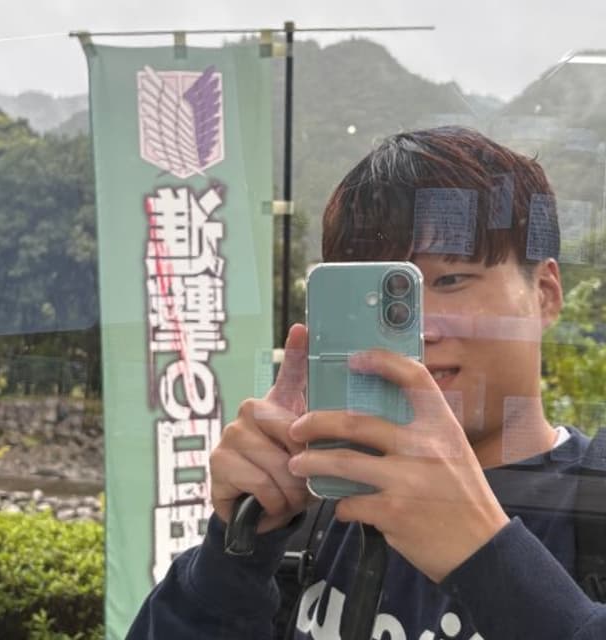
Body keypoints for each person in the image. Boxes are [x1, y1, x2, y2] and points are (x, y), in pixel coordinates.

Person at [126, 126, 606, 639]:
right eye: (385, 301)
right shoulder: (317, 501)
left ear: (545, 294)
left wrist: (487, 557)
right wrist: (233, 554)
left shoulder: (594, 505)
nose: (420, 330)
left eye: (450, 279)